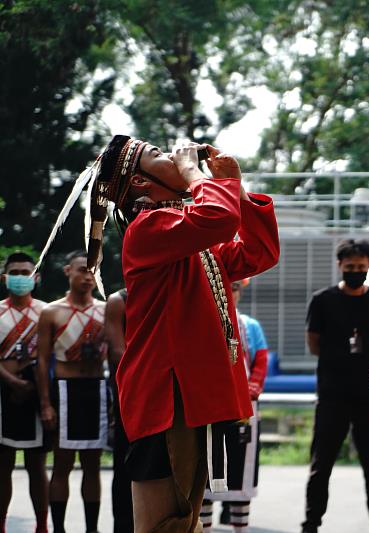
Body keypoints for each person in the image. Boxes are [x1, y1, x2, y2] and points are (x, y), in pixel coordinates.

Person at [36, 135, 280, 531]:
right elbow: (219, 218)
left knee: (182, 518)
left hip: (187, 394)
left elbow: (260, 253)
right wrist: (194, 174)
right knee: (172, 522)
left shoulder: (186, 231)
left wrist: (238, 187)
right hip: (168, 396)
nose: (173, 155)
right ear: (140, 184)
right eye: (157, 155)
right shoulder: (150, 227)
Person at [301, 239, 369, 533]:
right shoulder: (323, 300)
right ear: (339, 265)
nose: (355, 271)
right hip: (332, 394)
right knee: (321, 465)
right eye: (350, 267)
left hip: (368, 395)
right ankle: (311, 523)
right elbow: (313, 343)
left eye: (361, 267)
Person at [36, 250, 107, 533]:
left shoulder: (105, 309)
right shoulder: (52, 311)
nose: (87, 276)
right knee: (62, 462)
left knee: (93, 463)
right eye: (82, 270)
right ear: (68, 271)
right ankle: (60, 528)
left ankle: (92, 528)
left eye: (92, 270)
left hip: (96, 390)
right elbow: (42, 360)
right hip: (64, 390)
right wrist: (45, 403)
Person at [201, 277, 269, 533]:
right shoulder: (202, 323)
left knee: (241, 473)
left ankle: (240, 528)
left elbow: (261, 358)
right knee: (206, 472)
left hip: (243, 408)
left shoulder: (250, 326)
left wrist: (252, 389)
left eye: (236, 288)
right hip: (210, 408)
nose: (231, 293)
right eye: (226, 287)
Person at [0, 252, 48, 533]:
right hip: (3, 395)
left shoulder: (47, 311)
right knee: (3, 465)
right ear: (5, 277)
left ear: (36, 277)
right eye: (15, 272)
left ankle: (41, 525)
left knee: (36, 465)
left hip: (35, 394)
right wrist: (12, 381)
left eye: (26, 272)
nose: (20, 277)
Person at [105, 288, 133, 533]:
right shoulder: (119, 300)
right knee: (125, 470)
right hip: (130, 398)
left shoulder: (168, 291)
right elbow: (117, 353)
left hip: (166, 396)